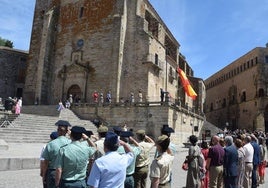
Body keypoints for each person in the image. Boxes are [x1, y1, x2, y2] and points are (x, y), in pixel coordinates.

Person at [41, 120, 71, 188]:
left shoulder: (51, 144)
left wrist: (44, 176)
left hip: (53, 172)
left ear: (57, 131)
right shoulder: (71, 143)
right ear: (67, 131)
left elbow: (45, 162)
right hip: (67, 173)